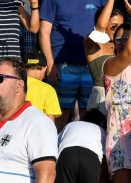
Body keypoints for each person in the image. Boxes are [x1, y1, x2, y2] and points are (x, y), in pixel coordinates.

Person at [39, 0, 107, 130]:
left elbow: (108, 23)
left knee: (90, 116)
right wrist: (50, 66)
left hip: (92, 67)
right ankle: (56, 143)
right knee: (59, 116)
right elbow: (44, 31)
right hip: (62, 66)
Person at [51, 109, 107, 183]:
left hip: (67, 154)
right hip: (91, 158)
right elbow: (104, 167)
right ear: (101, 123)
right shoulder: (102, 131)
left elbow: (55, 144)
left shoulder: (71, 125)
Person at [103, 22, 131, 183]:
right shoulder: (109, 65)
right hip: (120, 136)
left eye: (126, 38)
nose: (122, 42)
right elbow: (128, 53)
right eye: (118, 39)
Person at [84, 0, 124, 115]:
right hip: (101, 100)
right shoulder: (93, 43)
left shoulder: (122, 45)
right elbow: (100, 28)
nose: (118, 31)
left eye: (120, 27)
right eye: (113, 26)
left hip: (121, 98)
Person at [24, 49, 61, 122]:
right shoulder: (48, 90)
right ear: (45, 68)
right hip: (38, 128)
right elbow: (50, 122)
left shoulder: (15, 85)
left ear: (24, 68)